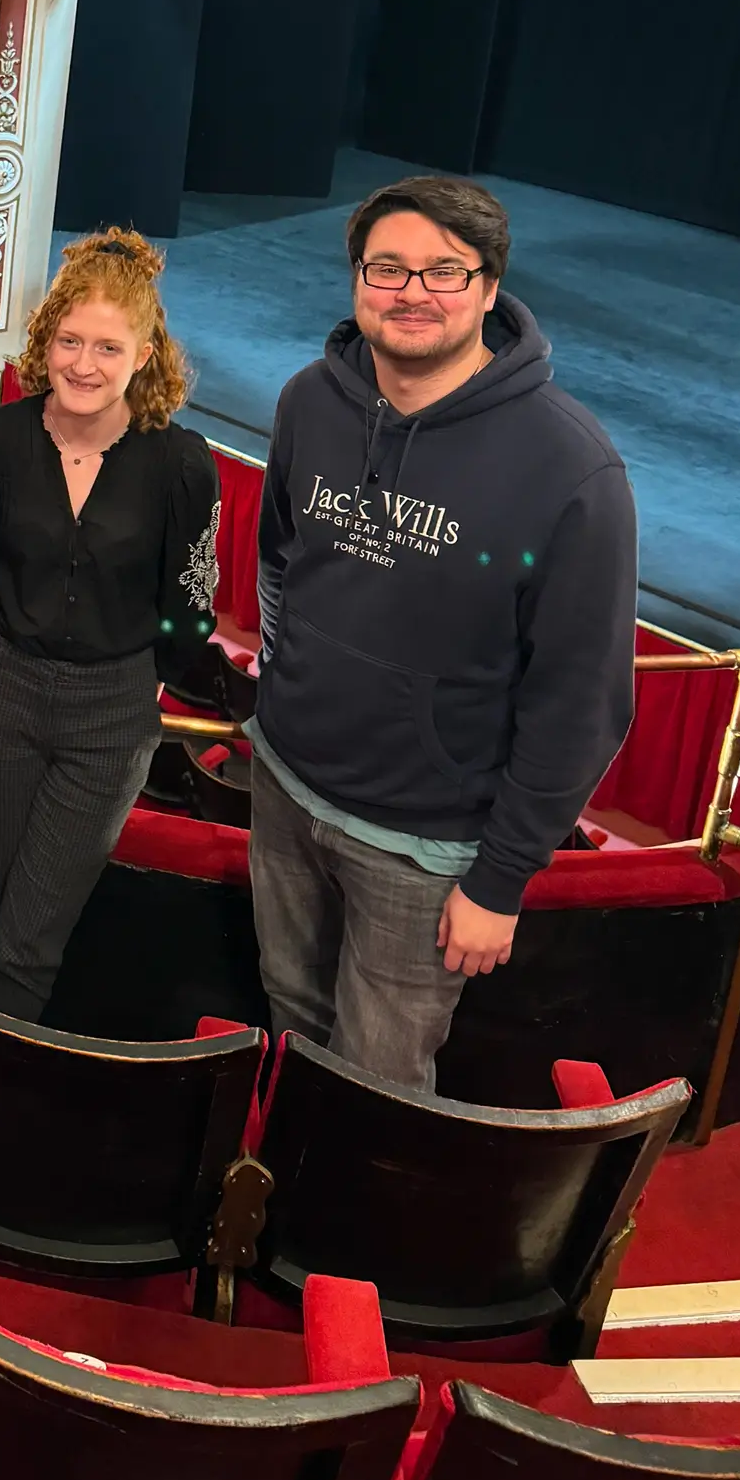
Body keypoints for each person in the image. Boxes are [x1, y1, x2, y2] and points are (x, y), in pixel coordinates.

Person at [248, 173, 637, 1091]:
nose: (411, 291)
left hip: (424, 849)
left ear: (490, 288)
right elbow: (278, 563)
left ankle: (348, 1237)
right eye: (388, 267)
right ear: (356, 279)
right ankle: (290, 1208)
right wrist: (281, 690)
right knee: (290, 1028)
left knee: (379, 1079)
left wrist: (500, 879)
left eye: (443, 271)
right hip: (285, 787)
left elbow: (580, 703)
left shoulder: (571, 469)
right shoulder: (311, 400)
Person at [0, 231, 222, 1018]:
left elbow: (192, 596)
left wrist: (144, 678)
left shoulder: (181, 463)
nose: (84, 364)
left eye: (108, 346)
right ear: (45, 340)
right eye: (70, 340)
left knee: (29, 937)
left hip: (111, 713)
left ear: (144, 356)